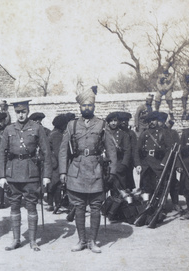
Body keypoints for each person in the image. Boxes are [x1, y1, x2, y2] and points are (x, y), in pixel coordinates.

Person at [59, 86, 117, 253]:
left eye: (89, 105)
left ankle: (92, 241)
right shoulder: (71, 125)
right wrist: (63, 172)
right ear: (80, 107)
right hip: (76, 171)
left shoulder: (102, 125)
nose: (87, 108)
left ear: (94, 107)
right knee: (78, 207)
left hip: (95, 170)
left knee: (96, 207)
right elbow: (63, 150)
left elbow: (111, 149)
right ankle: (81, 240)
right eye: (84, 106)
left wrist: (112, 171)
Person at [0, 100, 52, 252]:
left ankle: (33, 241)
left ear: (28, 112)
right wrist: (2, 176)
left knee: (31, 205)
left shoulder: (37, 128)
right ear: (15, 113)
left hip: (31, 172)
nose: (21, 115)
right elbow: (2, 153)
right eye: (18, 112)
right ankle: (16, 239)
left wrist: (46, 175)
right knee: (14, 205)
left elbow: (46, 152)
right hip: (13, 172)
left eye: (23, 112)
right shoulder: (9, 129)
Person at [46, 113, 72, 211]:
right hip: (56, 163)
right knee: (56, 184)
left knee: (53, 184)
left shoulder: (53, 133)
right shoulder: (57, 135)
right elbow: (58, 151)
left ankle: (52, 203)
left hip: (52, 163)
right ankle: (54, 203)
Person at [105, 112, 131, 193]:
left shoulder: (123, 134)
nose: (113, 123)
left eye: (115, 121)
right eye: (111, 121)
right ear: (108, 123)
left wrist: (123, 165)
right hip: (106, 166)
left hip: (119, 165)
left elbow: (127, 151)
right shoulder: (104, 134)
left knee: (120, 191)